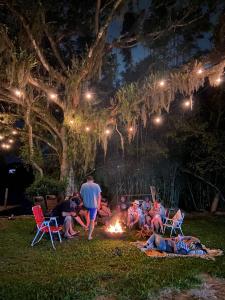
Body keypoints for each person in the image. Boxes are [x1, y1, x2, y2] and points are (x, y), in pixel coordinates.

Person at [142, 233, 207, 255]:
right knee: (156, 238)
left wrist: (173, 243)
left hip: (164, 246)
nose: (191, 243)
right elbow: (191, 237)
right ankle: (149, 246)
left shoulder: (185, 250)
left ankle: (147, 245)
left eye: (193, 244)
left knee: (155, 235)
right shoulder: (184, 243)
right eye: (192, 242)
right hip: (164, 243)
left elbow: (176, 252)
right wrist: (173, 240)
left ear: (194, 248)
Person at [80, 176, 102, 240]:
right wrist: (98, 205)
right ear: (93, 180)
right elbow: (99, 196)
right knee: (92, 220)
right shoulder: (96, 186)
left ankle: (86, 226)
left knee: (87, 217)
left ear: (87, 180)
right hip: (93, 206)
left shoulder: (83, 185)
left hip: (85, 205)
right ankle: (89, 236)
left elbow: (81, 194)